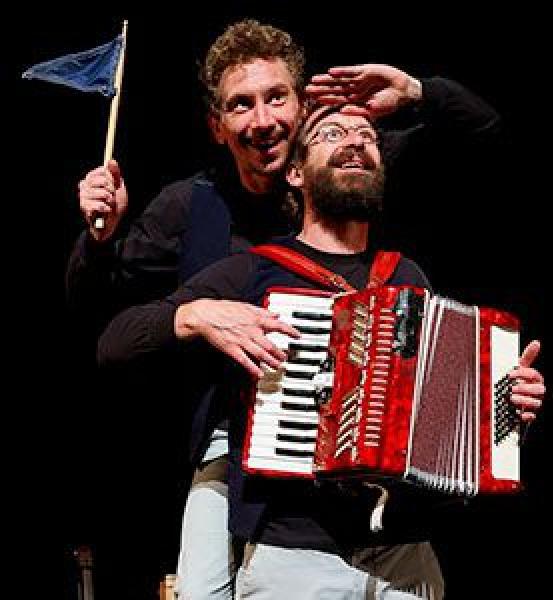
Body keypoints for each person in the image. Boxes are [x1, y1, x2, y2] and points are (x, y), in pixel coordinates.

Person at [66, 19, 506, 600]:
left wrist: (418, 92)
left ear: (301, 107)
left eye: (277, 98)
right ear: (217, 126)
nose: (263, 119)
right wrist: (107, 246)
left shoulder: (348, 162)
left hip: (370, 427)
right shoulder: (192, 207)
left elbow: (487, 136)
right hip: (231, 431)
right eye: (241, 105)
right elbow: (104, 318)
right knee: (202, 587)